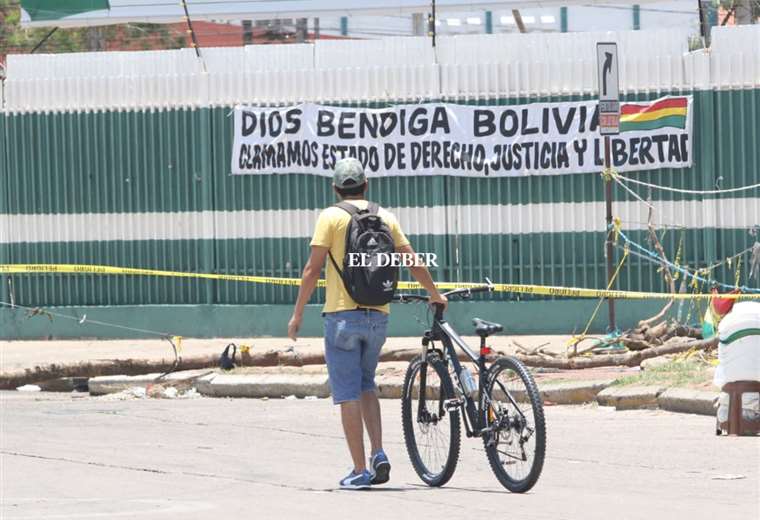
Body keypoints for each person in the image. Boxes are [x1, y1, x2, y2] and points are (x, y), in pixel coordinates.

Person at [287, 157, 447, 490]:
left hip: (342, 317)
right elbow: (412, 260)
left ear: (335, 189)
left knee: (347, 392)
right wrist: (435, 294)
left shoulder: (330, 217)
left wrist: (298, 314)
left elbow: (311, 270)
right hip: (379, 316)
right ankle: (377, 453)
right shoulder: (385, 216)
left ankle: (360, 470)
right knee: (366, 384)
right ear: (366, 184)